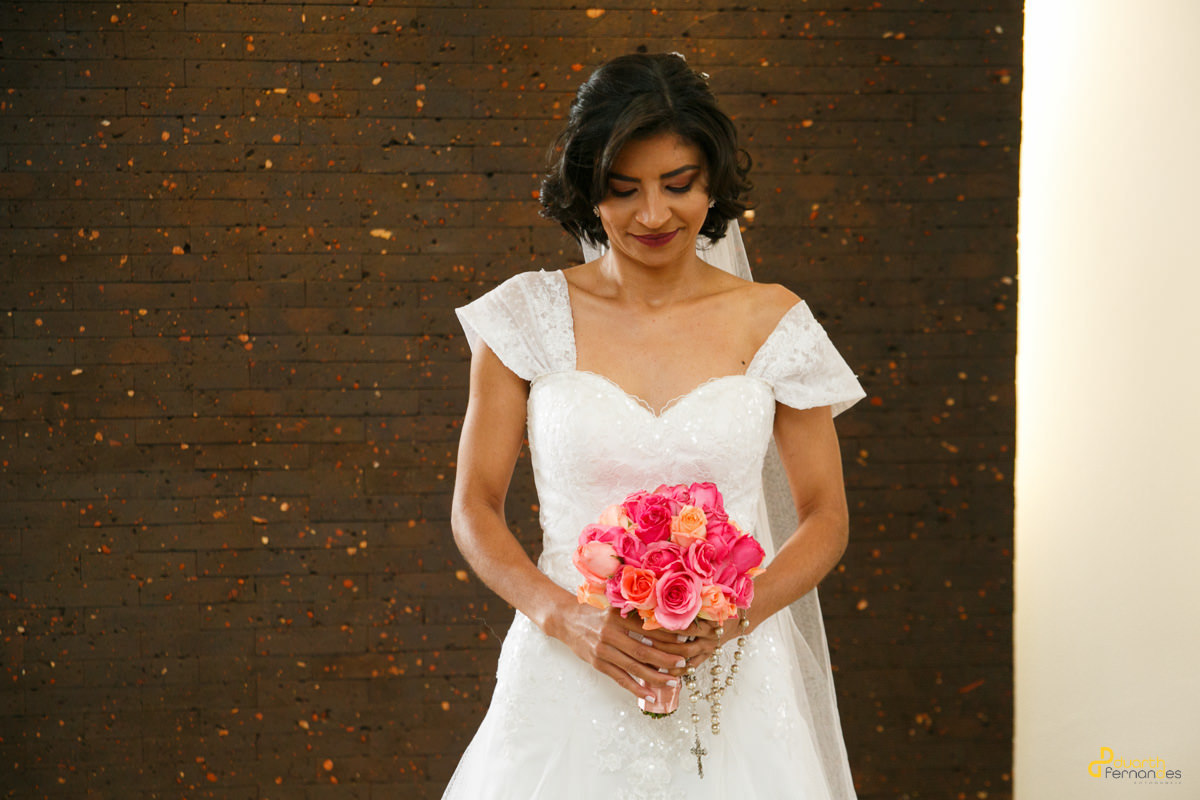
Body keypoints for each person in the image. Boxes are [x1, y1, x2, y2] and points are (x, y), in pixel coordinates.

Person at [446, 52, 865, 799]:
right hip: (568, 667)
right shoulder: (523, 318)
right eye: (622, 189)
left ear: (713, 183)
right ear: (588, 191)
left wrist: (735, 615)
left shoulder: (774, 321)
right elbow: (474, 507)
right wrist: (562, 616)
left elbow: (825, 517)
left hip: (733, 676)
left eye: (678, 186)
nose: (651, 215)